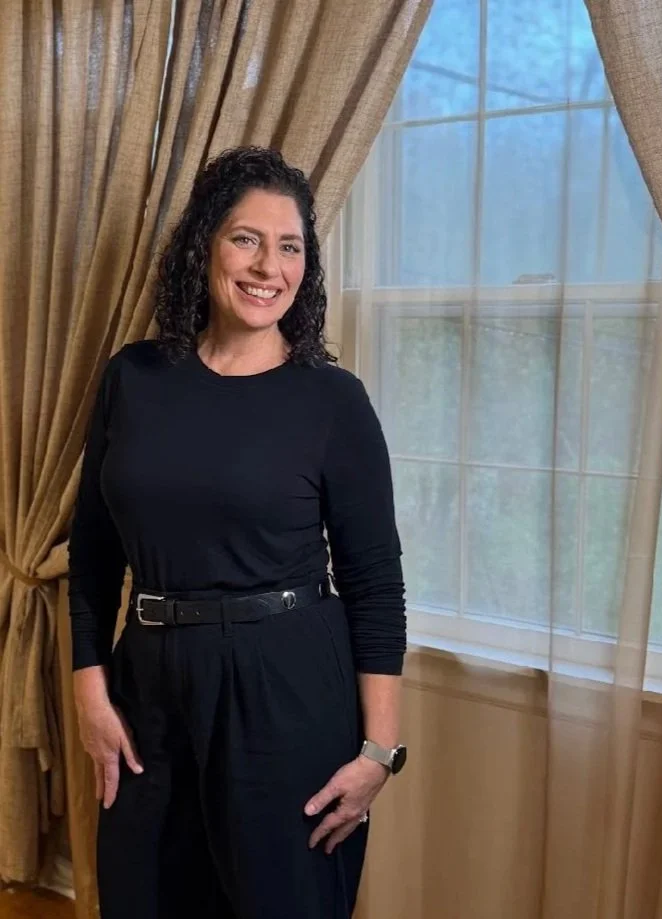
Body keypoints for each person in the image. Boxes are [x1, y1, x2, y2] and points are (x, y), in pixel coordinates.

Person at [68, 146, 408, 919]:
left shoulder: (333, 400)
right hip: (147, 688)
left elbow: (376, 586)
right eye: (245, 239)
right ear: (204, 245)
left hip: (288, 690)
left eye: (290, 246)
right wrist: (90, 688)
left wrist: (379, 753)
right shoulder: (133, 377)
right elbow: (91, 554)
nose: (268, 267)